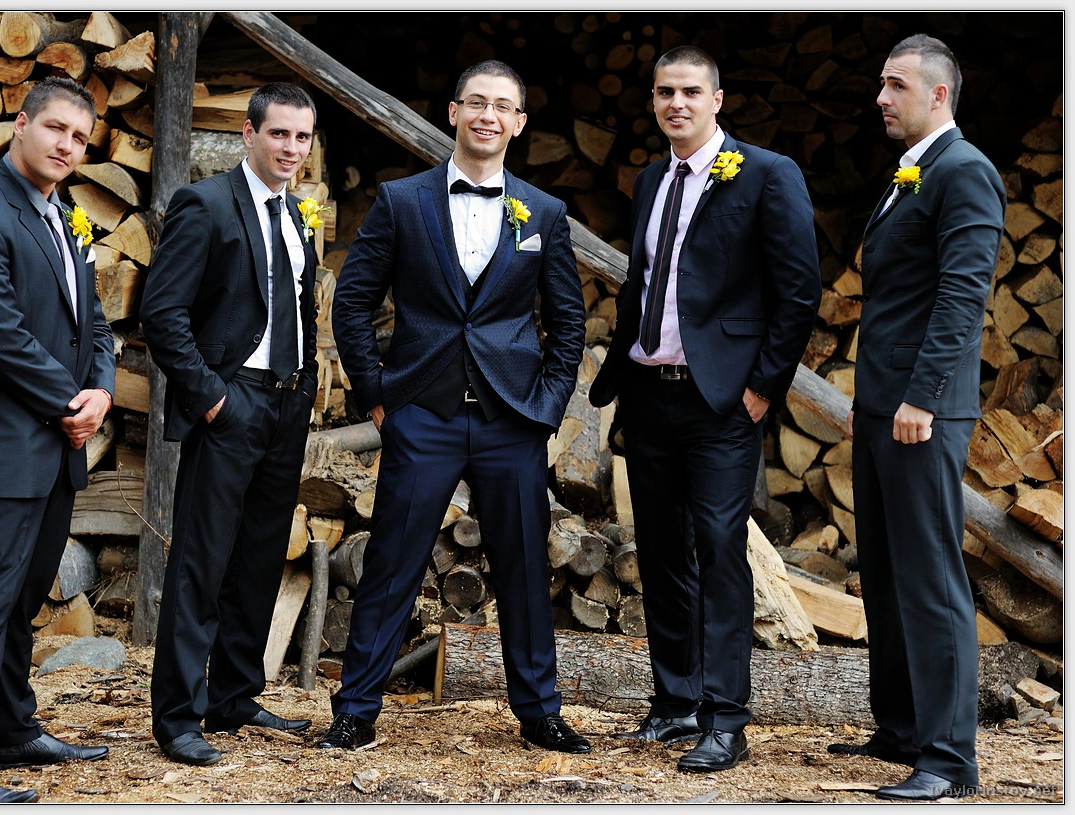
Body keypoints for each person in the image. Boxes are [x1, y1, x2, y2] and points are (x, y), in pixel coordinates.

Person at [325, 60, 588, 754]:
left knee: (524, 569)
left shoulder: (544, 212)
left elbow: (568, 323)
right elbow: (352, 303)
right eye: (476, 102)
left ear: (518, 123)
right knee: (391, 563)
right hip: (421, 414)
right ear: (452, 112)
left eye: (502, 106)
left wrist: (546, 408)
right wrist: (375, 394)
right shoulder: (401, 200)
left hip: (512, 420)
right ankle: (355, 710)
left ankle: (539, 711)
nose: (487, 116)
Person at [589, 46, 821, 772]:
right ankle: (676, 701)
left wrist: (762, 387)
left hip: (721, 399)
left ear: (717, 100)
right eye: (665, 92)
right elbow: (645, 280)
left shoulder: (765, 173)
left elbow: (798, 290)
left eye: (691, 91)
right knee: (659, 549)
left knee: (720, 548)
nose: (676, 104)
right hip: (647, 391)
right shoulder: (651, 178)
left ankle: (725, 719)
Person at [827, 34, 1005, 802]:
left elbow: (962, 297)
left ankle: (948, 759)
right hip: (881, 406)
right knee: (885, 573)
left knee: (930, 578)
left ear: (937, 94)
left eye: (894, 85)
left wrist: (921, 398)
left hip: (920, 412)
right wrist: (869, 401)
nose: (880, 97)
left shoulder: (964, 171)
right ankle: (899, 728)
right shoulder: (911, 171)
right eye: (880, 83)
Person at [0, 76, 114, 804]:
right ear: (20, 124)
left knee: (22, 599)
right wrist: (71, 402)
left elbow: (94, 322)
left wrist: (102, 391)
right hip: (5, 446)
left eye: (80, 138)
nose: (67, 145)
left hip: (59, 445)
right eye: (56, 128)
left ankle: (14, 730)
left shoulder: (67, 216)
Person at [139, 82, 320, 766]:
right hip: (232, 400)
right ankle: (178, 717)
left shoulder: (296, 214)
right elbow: (163, 313)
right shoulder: (205, 203)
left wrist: (303, 389)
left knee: (259, 557)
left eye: (301, 137)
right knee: (202, 561)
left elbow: (296, 309)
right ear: (248, 134)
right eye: (279, 133)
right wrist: (213, 397)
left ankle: (236, 695)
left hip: (286, 403)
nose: (290, 148)